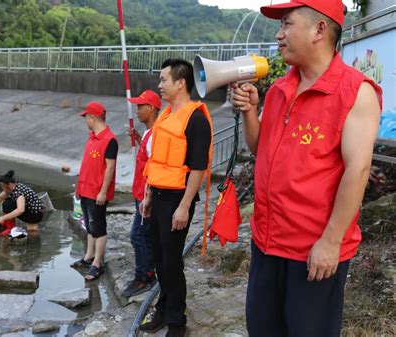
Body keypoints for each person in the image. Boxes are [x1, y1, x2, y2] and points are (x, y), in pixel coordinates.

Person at [231, 1, 383, 336]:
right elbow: (262, 149)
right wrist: (250, 113)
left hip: (312, 252)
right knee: (263, 328)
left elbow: (357, 170)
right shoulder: (280, 90)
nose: (279, 34)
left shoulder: (356, 92)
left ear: (319, 30)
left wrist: (330, 242)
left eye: (287, 24)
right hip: (267, 242)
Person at [139, 59, 213, 337]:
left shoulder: (195, 119)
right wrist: (148, 195)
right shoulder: (166, 115)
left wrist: (184, 207)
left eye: (163, 80)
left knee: (172, 262)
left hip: (176, 200)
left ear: (180, 83)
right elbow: (156, 161)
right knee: (159, 259)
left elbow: (198, 168)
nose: (159, 85)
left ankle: (177, 322)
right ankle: (163, 309)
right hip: (157, 196)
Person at [70, 101, 118, 282]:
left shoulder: (109, 140)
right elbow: (86, 165)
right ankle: (88, 256)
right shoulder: (91, 138)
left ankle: (97, 263)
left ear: (92, 118)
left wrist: (103, 192)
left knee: (98, 227)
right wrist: (79, 186)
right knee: (89, 226)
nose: (86, 121)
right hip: (85, 189)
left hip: (97, 192)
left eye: (86, 118)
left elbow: (110, 168)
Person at [121, 90, 161, 298]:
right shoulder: (148, 133)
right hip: (141, 193)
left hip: (146, 196)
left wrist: (148, 198)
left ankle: (144, 275)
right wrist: (138, 137)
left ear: (151, 108)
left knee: (138, 235)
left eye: (140, 106)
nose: (137, 111)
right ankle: (146, 271)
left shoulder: (155, 135)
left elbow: (155, 169)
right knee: (144, 235)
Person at [0, 170, 44, 235]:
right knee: (7, 203)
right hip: (31, 210)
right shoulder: (14, 187)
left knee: (8, 204)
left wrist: (3, 218)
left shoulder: (18, 192)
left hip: (35, 214)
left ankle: (10, 228)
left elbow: (20, 210)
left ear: (10, 185)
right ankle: (7, 226)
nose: (4, 191)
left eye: (4, 189)